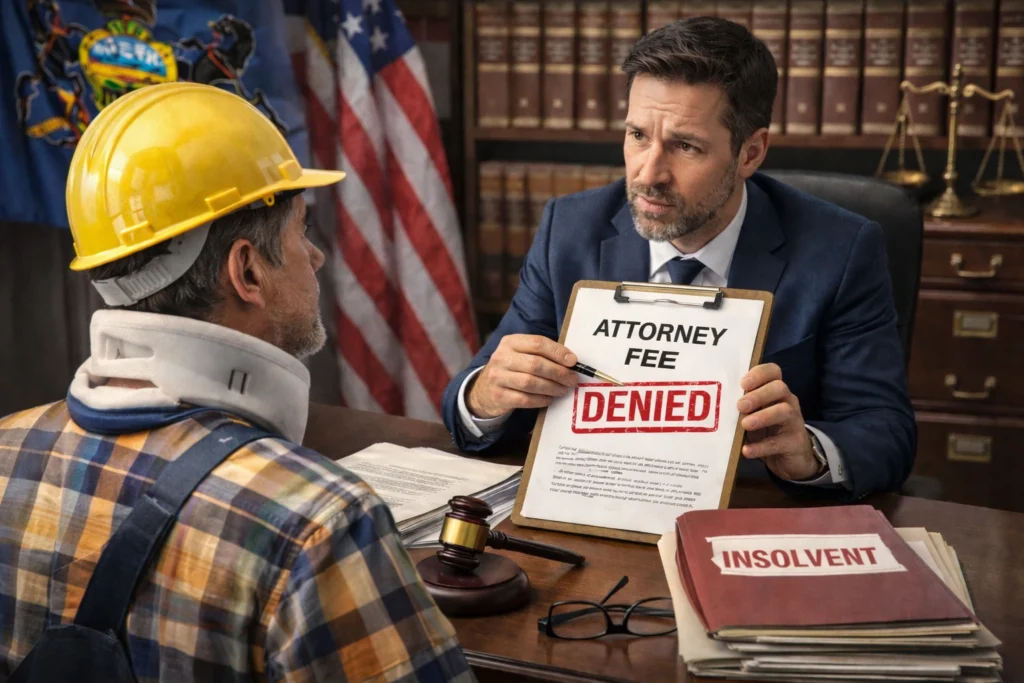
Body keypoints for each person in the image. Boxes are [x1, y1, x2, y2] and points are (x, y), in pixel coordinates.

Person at [0, 82, 474, 682]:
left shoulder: (4, 454)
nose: (316, 255)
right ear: (247, 270)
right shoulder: (320, 522)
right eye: (302, 230)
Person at [442, 16, 916, 501]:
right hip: (596, 497)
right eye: (638, 135)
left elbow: (885, 432)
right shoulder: (570, 228)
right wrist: (487, 396)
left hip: (745, 512)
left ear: (750, 153)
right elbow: (467, 404)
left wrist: (808, 453)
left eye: (685, 146)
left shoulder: (841, 249)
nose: (649, 174)